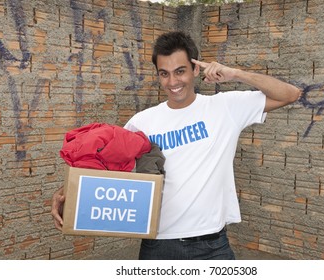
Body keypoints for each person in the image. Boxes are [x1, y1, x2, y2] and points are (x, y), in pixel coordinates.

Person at [51, 31, 301, 260]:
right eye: (164, 73)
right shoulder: (142, 122)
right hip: (159, 246)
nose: (172, 82)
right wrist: (65, 192)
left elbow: (290, 94)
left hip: (212, 246)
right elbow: (104, 165)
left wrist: (236, 73)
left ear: (195, 69)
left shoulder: (225, 107)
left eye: (180, 71)